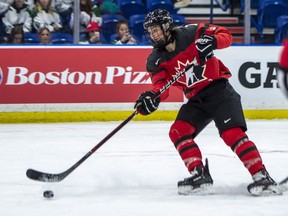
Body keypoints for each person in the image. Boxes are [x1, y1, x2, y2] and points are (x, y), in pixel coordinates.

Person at [134, 9, 281, 196]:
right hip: (197, 100)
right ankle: (199, 174)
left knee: (231, 133)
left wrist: (213, 41)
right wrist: (151, 99)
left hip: (219, 91)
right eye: (151, 31)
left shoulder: (191, 32)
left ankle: (261, 176)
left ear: (166, 26)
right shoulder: (155, 60)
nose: (153, 35)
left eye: (156, 30)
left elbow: (225, 35)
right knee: (178, 131)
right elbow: (160, 89)